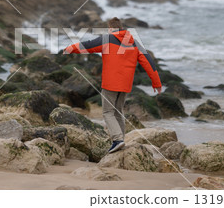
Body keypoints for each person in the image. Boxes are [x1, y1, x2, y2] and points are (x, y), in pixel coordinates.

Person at [63, 17, 161, 153]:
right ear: (121, 28)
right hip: (125, 84)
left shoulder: (107, 39)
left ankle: (117, 140)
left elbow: (88, 46)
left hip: (110, 83)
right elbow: (148, 61)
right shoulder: (134, 42)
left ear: (110, 28)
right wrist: (156, 82)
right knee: (118, 112)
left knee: (108, 112)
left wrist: (69, 49)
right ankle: (121, 141)